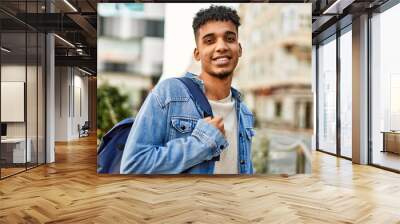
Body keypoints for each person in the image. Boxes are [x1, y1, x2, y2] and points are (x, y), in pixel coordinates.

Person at [120, 5, 255, 174]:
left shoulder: (244, 112)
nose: (221, 47)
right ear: (197, 53)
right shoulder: (169, 93)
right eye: (209, 41)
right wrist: (202, 143)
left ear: (239, 49)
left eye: (229, 38)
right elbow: (133, 166)